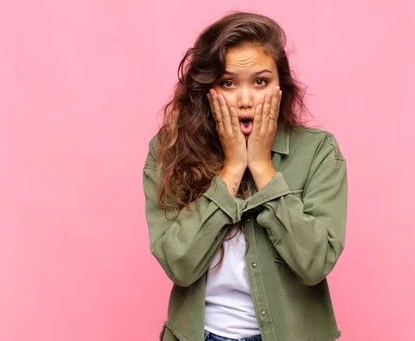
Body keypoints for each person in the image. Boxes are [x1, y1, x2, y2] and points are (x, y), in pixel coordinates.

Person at [142, 11, 348, 341]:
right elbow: (179, 265)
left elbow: (315, 263)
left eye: (260, 81)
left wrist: (263, 168)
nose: (246, 99)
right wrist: (233, 168)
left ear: (282, 86)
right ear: (206, 90)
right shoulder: (169, 151)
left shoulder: (318, 152)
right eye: (227, 83)